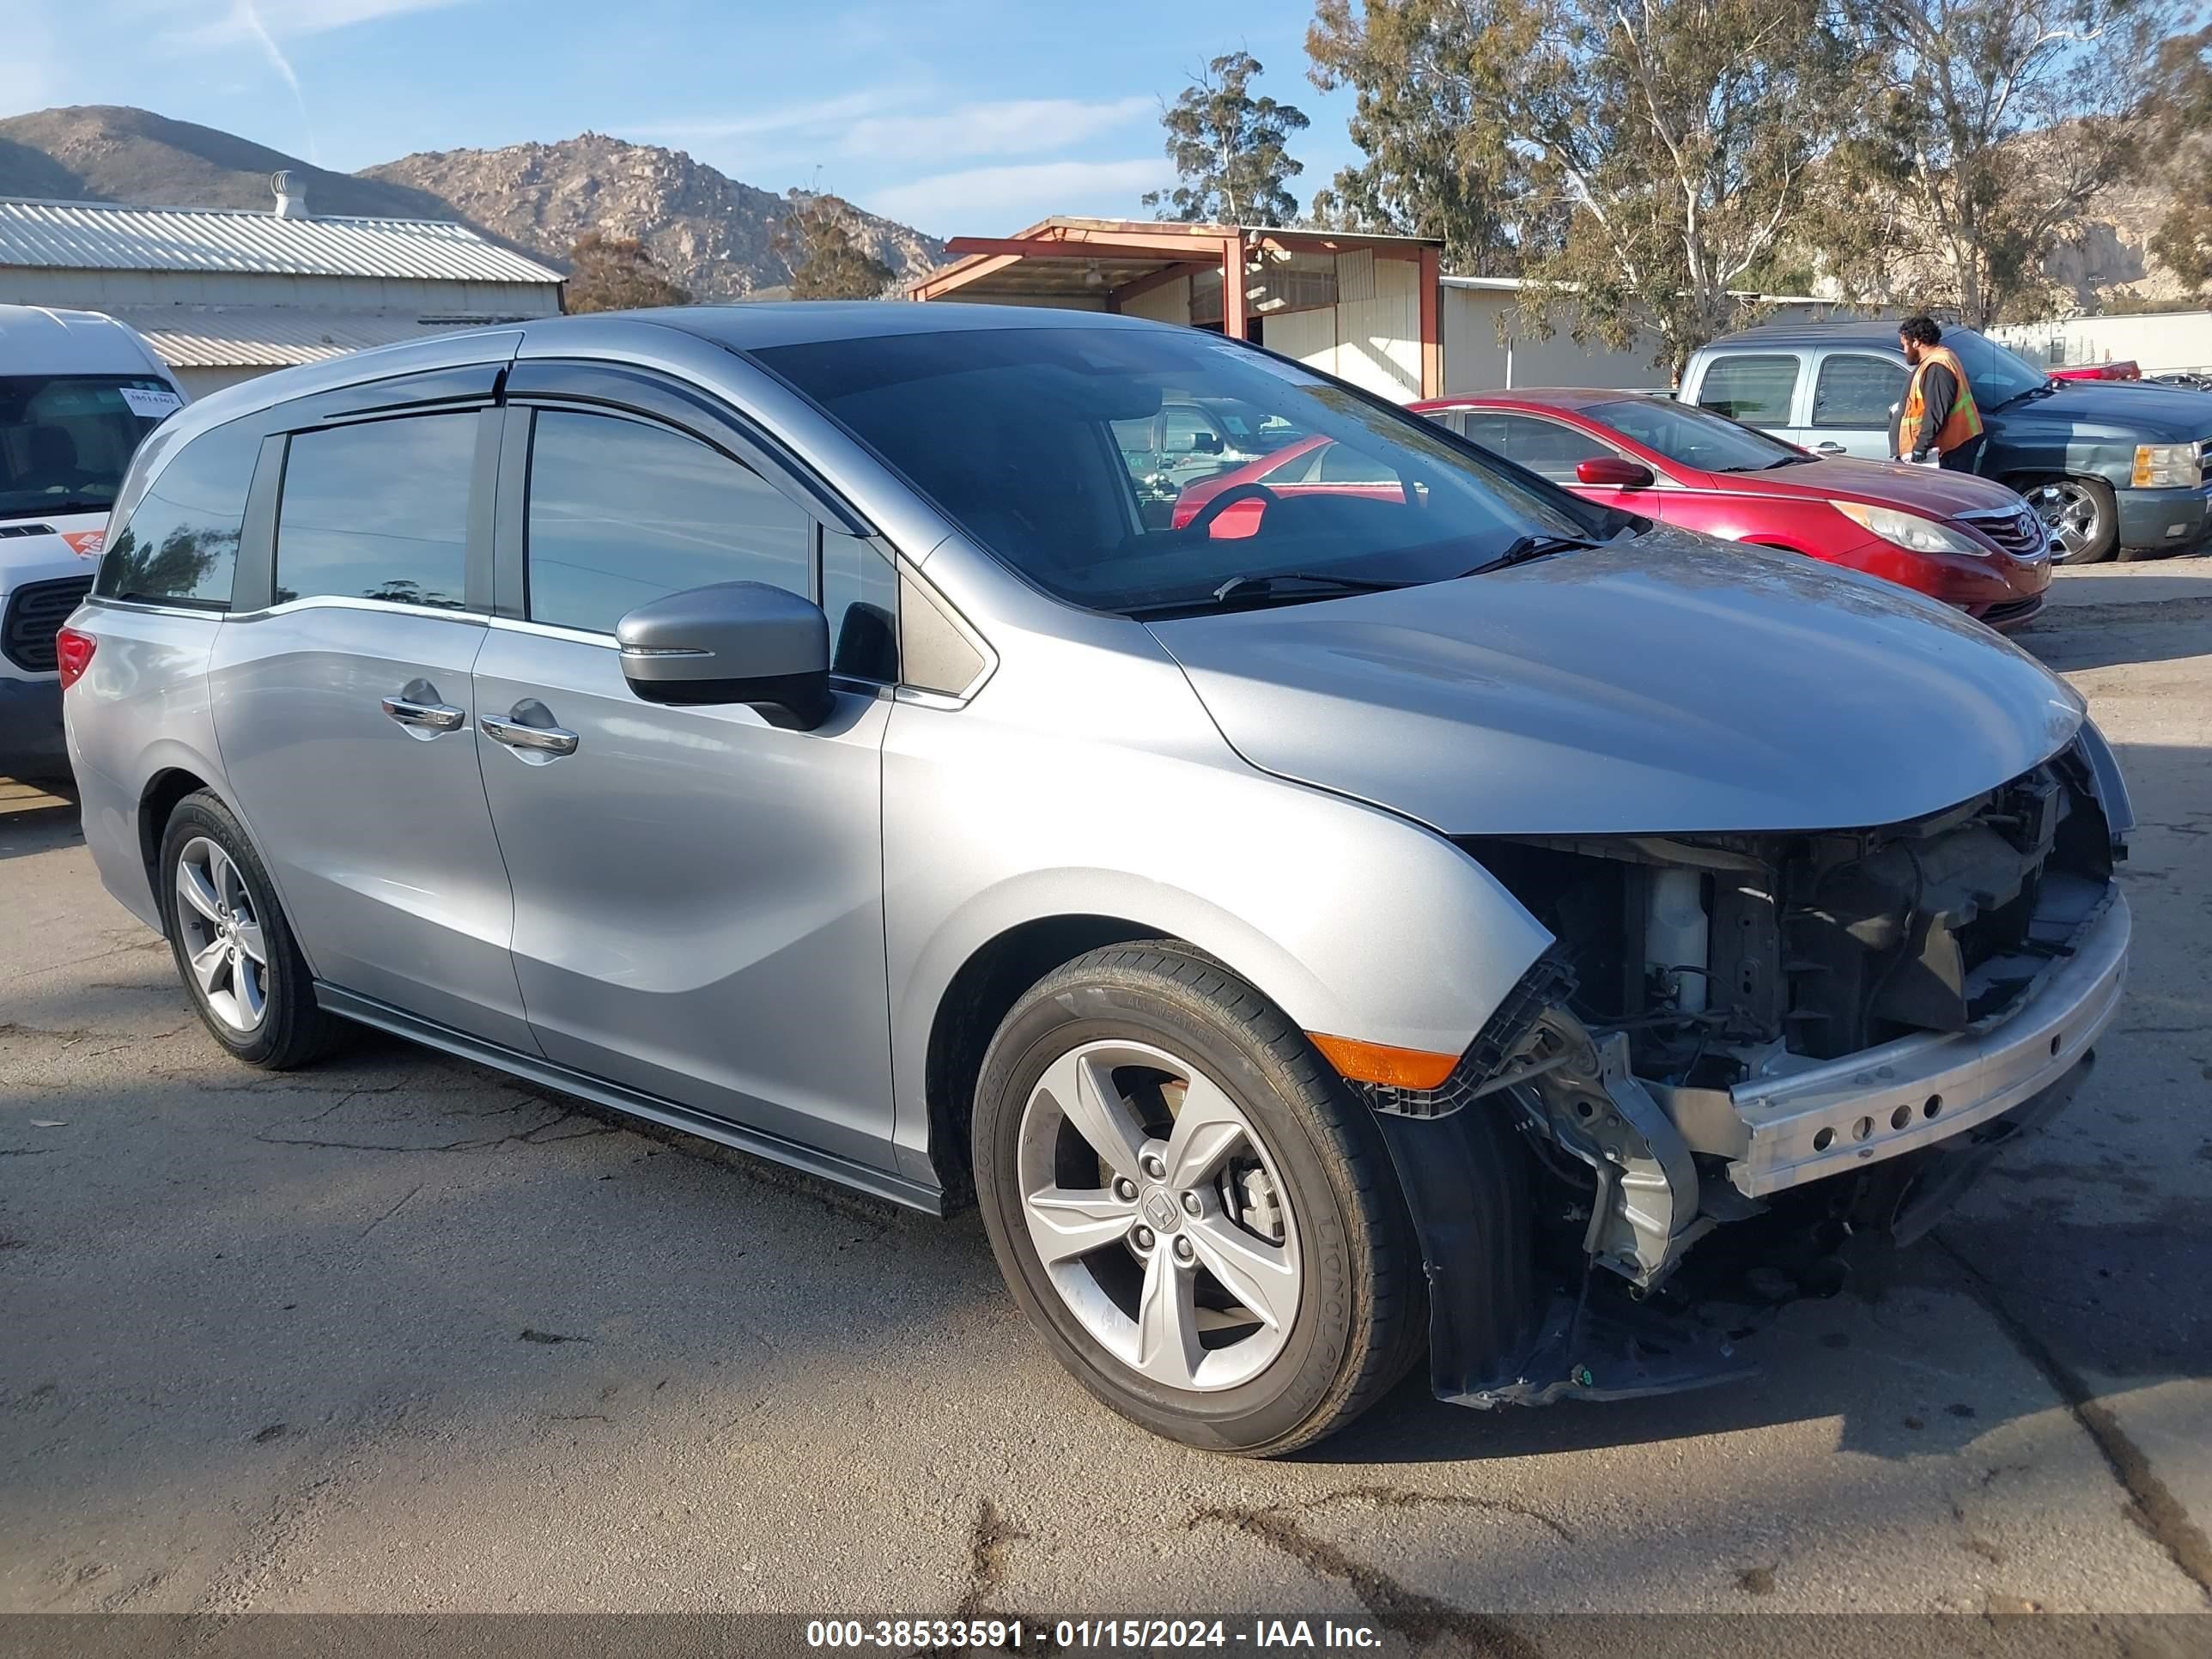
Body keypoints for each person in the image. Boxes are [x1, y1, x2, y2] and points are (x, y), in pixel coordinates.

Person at [1893, 315, 1984, 473]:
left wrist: (1921, 447)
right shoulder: (1942, 357)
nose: (1904, 351)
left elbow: (1935, 411)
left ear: (1916, 342)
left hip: (1945, 453)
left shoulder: (1936, 367)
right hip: (1949, 450)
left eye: (1905, 345)